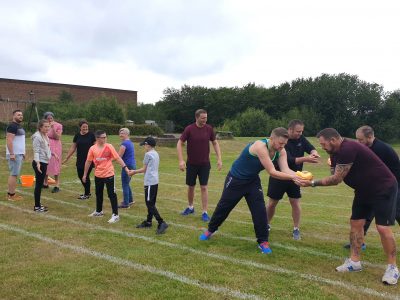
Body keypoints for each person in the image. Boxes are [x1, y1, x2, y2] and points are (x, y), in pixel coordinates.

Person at [300, 128, 399, 285]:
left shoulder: (348, 148)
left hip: (383, 187)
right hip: (363, 189)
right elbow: (334, 173)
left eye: (323, 143)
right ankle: (354, 262)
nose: (322, 147)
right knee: (356, 224)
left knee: (383, 227)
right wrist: (331, 164)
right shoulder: (335, 152)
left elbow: (336, 180)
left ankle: (393, 268)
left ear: (333, 140)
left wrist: (311, 183)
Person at [199, 128, 301, 254]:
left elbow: (285, 170)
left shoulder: (281, 151)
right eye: (280, 143)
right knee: (224, 207)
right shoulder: (260, 146)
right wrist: (294, 177)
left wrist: (300, 176)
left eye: (285, 143)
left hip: (252, 181)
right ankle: (210, 230)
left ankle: (263, 241)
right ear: (272, 139)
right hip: (236, 179)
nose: (283, 146)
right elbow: (272, 172)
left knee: (260, 211)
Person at [342, 125, 400, 249]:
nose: (358, 142)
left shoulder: (379, 149)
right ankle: (360, 241)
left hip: (393, 185)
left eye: (360, 139)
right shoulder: (369, 147)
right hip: (377, 186)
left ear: (370, 137)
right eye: (356, 139)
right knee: (365, 214)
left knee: (397, 212)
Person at [267, 119, 320, 240]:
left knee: (295, 202)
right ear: (290, 130)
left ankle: (296, 229)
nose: (300, 133)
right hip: (279, 176)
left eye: (301, 131)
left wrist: (314, 153)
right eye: (298, 131)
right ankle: (266, 225)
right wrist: (306, 159)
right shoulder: (282, 141)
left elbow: (310, 147)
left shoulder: (301, 138)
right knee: (272, 203)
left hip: (295, 176)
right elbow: (290, 160)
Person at [177, 109, 222, 222]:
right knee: (191, 187)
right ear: (196, 117)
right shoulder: (189, 129)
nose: (205, 120)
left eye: (206, 117)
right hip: (191, 164)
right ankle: (190, 207)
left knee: (204, 187)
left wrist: (219, 159)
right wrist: (181, 160)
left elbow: (215, 143)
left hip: (204, 164)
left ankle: (205, 212)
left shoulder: (209, 129)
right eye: (203, 118)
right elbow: (180, 143)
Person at [83, 130, 128, 224]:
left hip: (109, 174)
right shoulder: (92, 148)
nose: (104, 139)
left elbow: (117, 158)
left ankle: (115, 215)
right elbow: (88, 161)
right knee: (98, 194)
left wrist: (125, 168)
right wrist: (85, 174)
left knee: (112, 194)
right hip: (98, 175)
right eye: (102, 137)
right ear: (97, 138)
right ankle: (99, 211)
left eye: (105, 137)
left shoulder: (109, 146)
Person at [128, 137, 168, 234]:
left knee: (149, 203)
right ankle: (149, 221)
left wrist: (133, 172)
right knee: (151, 203)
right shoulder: (156, 153)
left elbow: (143, 169)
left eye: (144, 145)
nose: (144, 147)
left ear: (148, 145)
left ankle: (161, 222)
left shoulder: (148, 154)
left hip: (150, 181)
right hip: (155, 181)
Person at [62, 120, 96, 200]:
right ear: (80, 127)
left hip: (89, 159)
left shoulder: (91, 135)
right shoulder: (77, 135)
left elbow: (96, 146)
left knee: (86, 176)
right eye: (83, 127)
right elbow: (73, 147)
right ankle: (87, 192)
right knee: (80, 175)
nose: (85, 128)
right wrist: (67, 158)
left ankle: (87, 194)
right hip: (80, 159)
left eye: (86, 127)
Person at [31, 119, 52, 212]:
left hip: (44, 162)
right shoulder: (37, 137)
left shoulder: (45, 135)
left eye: (48, 126)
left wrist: (53, 154)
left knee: (39, 184)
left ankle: (38, 204)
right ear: (40, 127)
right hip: (39, 163)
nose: (47, 128)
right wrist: (38, 163)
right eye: (45, 126)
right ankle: (37, 206)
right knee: (39, 185)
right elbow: (36, 151)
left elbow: (46, 148)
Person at [6, 109, 25, 201]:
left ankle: (11, 194)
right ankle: (11, 195)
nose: (20, 116)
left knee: (15, 174)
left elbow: (20, 141)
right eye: (18, 115)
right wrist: (12, 153)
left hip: (19, 154)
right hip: (15, 154)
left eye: (21, 115)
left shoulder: (18, 126)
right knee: (14, 174)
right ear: (13, 116)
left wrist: (23, 152)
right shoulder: (12, 126)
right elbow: (9, 140)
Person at [43, 112, 62, 193]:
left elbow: (57, 137)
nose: (50, 120)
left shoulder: (58, 125)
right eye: (48, 118)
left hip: (56, 145)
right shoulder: (44, 125)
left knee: (55, 164)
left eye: (51, 118)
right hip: (46, 144)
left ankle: (57, 185)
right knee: (45, 164)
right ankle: (45, 183)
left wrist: (53, 128)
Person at [117, 128, 136, 208]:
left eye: (123, 133)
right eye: (120, 133)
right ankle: (130, 200)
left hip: (127, 166)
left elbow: (118, 156)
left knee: (125, 184)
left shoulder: (124, 144)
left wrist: (108, 160)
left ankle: (126, 203)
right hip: (132, 165)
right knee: (127, 183)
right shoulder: (130, 142)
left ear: (127, 134)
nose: (121, 135)